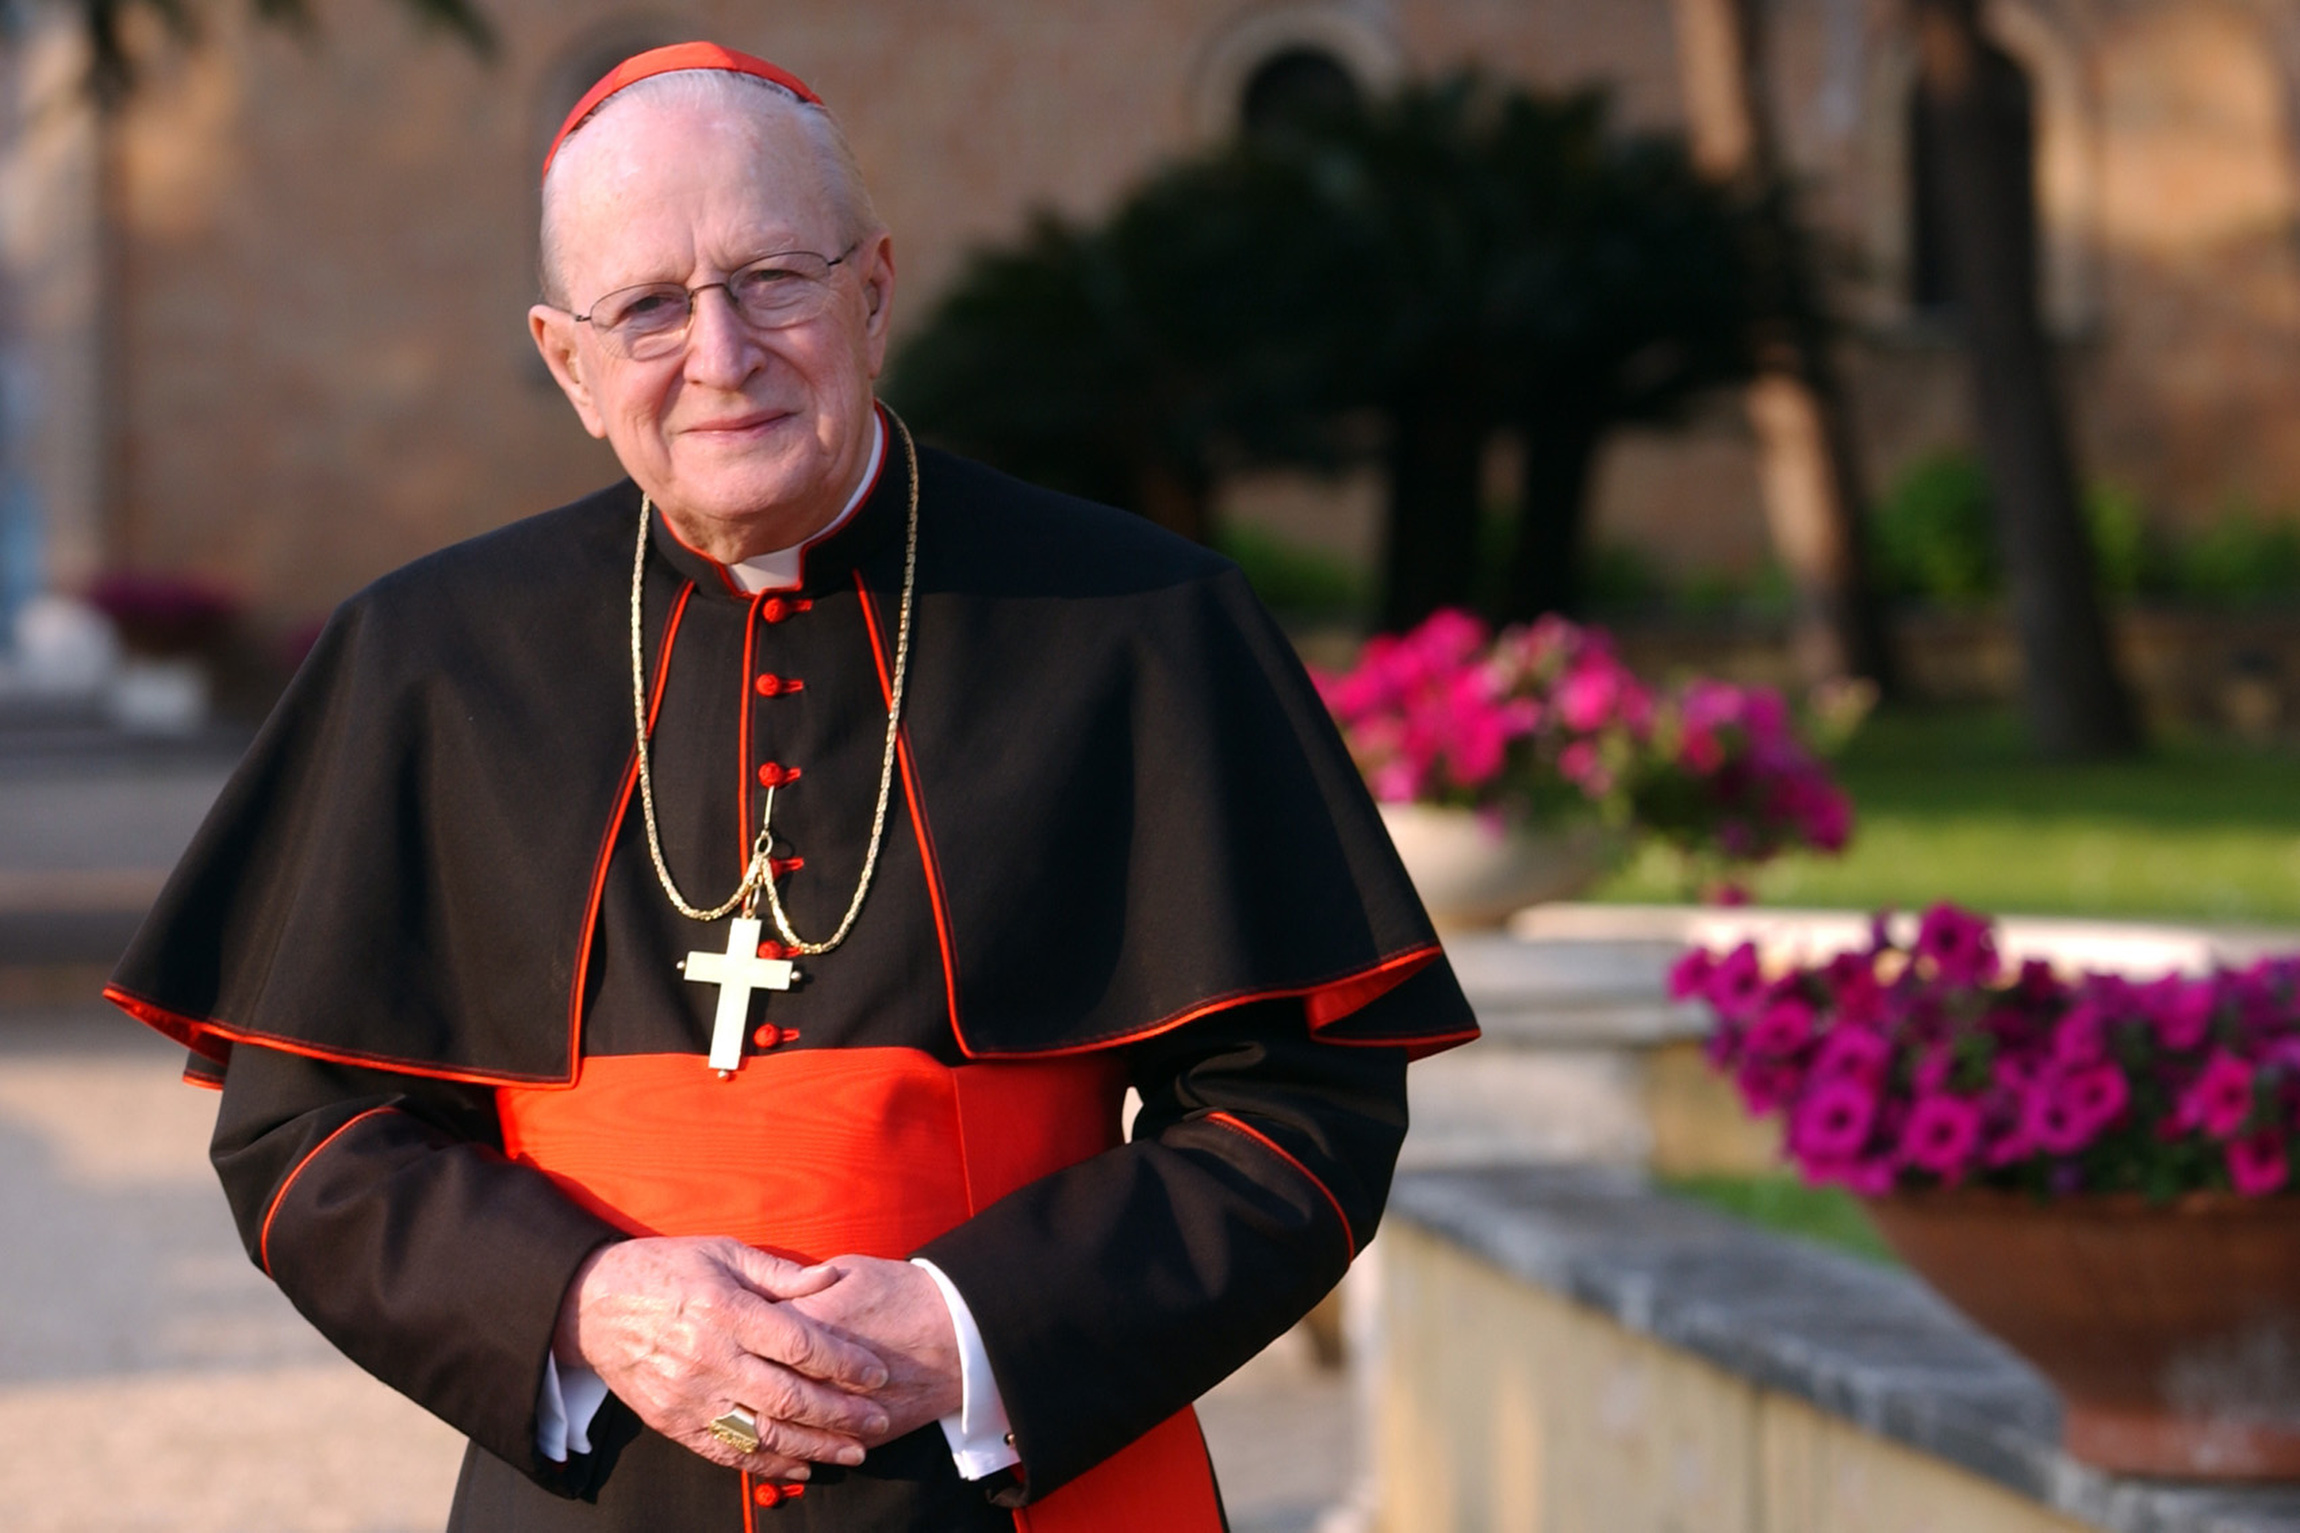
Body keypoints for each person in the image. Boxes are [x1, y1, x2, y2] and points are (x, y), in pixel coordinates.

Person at [106, 41, 1477, 1532]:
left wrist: (969, 1328)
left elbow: (1304, 1111)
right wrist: (583, 1298)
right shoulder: (428, 656)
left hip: (1041, 1486)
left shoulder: (1141, 625)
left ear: (874, 292)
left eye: (773, 276)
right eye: (645, 308)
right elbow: (304, 1135)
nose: (719, 353)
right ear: (568, 362)